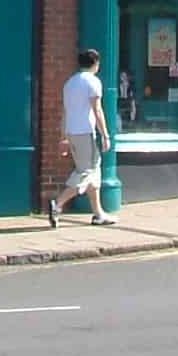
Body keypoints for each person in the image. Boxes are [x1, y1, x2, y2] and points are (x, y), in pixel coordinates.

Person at [50, 48, 116, 227]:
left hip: (72, 132)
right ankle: (58, 204)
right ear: (96, 63)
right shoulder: (93, 82)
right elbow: (97, 110)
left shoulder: (70, 83)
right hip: (85, 132)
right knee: (87, 172)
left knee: (93, 172)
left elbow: (65, 112)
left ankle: (98, 214)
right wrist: (105, 135)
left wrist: (63, 137)